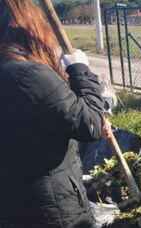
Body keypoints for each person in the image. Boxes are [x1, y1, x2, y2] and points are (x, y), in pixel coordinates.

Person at [0, 1, 107, 227]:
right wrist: (80, 71)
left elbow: (46, 116)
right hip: (50, 207)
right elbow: (90, 124)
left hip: (12, 200)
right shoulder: (28, 75)